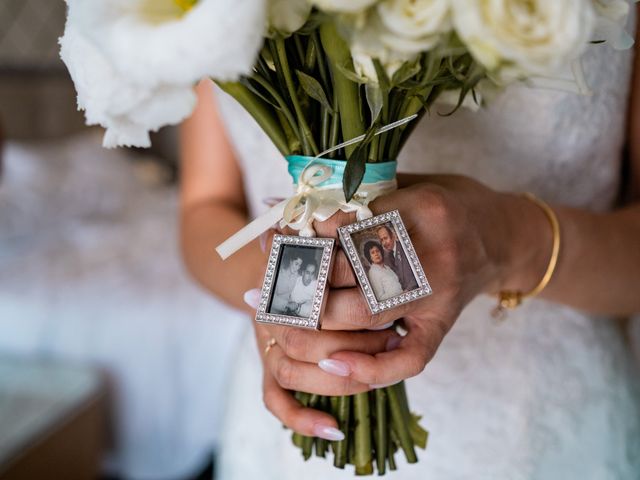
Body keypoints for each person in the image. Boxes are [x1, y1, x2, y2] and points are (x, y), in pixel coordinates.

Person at [179, 10, 640, 479]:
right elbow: (204, 207)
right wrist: (284, 298)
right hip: (288, 435)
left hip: (545, 421)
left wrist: (505, 241)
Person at [376, 224, 419, 292]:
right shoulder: (386, 258)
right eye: (381, 240)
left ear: (392, 236)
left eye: (385, 238)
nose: (384, 243)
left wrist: (408, 290)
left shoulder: (405, 247)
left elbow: (419, 271)